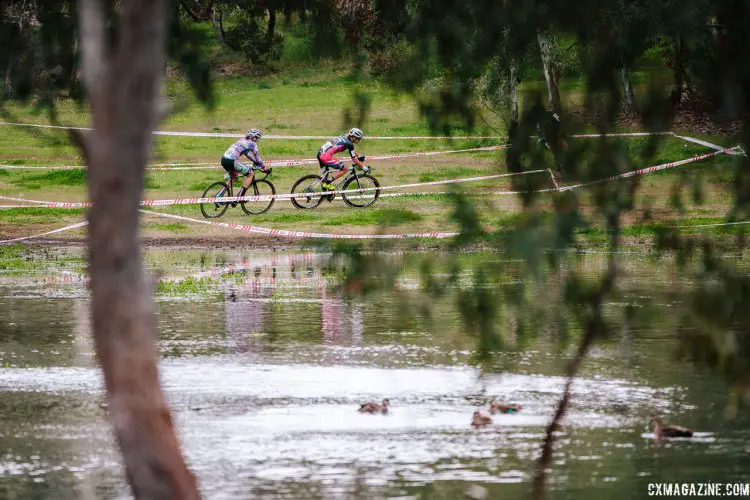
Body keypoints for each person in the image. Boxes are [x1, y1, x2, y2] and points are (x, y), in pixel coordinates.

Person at [220, 128, 270, 202]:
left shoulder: (242, 140)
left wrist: (255, 161)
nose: (258, 140)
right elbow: (258, 157)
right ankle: (240, 197)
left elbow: (247, 155)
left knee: (234, 177)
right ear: (254, 137)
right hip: (232, 161)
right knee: (251, 173)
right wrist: (264, 167)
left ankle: (219, 195)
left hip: (224, 159)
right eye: (257, 138)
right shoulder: (253, 144)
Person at [317, 127, 367, 201]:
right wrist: (364, 167)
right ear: (353, 137)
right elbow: (354, 159)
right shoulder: (350, 144)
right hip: (326, 157)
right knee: (345, 168)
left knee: (325, 175)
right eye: (358, 138)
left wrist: (358, 156)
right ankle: (328, 183)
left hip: (320, 153)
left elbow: (351, 150)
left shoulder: (344, 136)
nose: (359, 140)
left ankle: (325, 193)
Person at [532, 104, 569, 184]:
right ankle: (543, 171)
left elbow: (559, 121)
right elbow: (539, 132)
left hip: (557, 137)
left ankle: (564, 174)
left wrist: (561, 135)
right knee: (539, 146)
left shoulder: (552, 113)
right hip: (548, 139)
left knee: (560, 156)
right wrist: (545, 141)